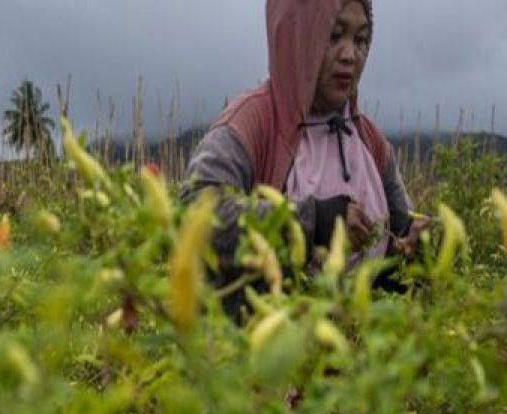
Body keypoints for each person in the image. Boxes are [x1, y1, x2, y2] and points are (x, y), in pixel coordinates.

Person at [182, 0, 429, 319]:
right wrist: (315, 222)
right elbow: (194, 213)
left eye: (360, 40)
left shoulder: (368, 140)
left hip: (358, 358)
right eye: (333, 35)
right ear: (296, 38)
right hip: (263, 355)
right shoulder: (254, 122)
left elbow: (400, 232)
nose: (349, 55)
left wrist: (411, 250)